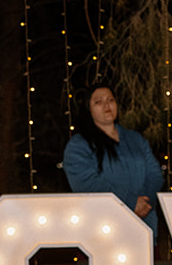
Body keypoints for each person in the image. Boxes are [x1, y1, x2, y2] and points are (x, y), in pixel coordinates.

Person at [62, 84, 164, 232]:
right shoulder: (79, 145)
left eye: (110, 100)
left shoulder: (135, 139)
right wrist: (130, 202)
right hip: (102, 228)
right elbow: (87, 184)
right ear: (88, 109)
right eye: (98, 102)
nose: (106, 105)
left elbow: (155, 174)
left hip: (143, 225)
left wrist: (144, 204)